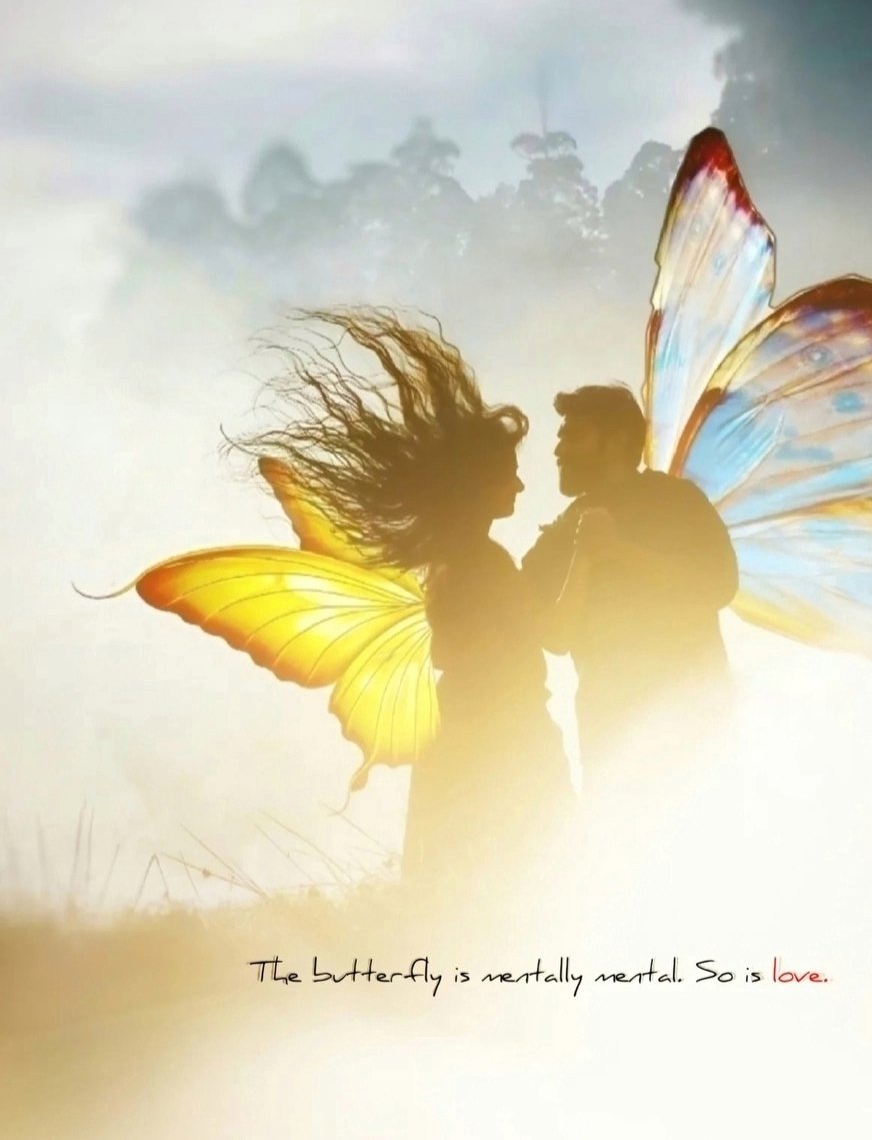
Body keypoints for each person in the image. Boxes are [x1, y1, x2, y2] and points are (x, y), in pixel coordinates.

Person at [249, 308, 570, 899]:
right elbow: (540, 633)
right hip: (503, 733)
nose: (521, 485)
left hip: (462, 729)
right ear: (477, 483)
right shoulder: (481, 561)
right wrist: (586, 560)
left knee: (458, 878)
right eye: (509, 474)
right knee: (533, 874)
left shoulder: (453, 557)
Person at [521, 383, 738, 793]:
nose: (558, 450)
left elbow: (720, 584)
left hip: (695, 727)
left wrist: (621, 552)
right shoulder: (558, 536)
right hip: (610, 738)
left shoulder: (675, 500)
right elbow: (552, 636)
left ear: (618, 440)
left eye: (573, 435)